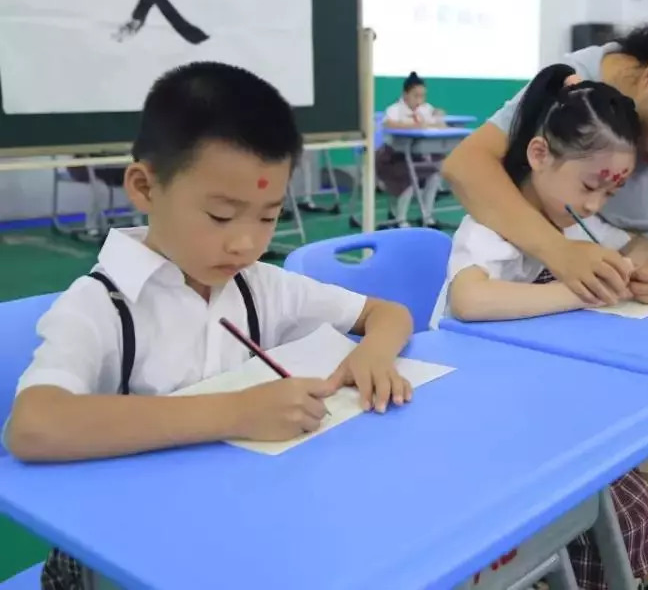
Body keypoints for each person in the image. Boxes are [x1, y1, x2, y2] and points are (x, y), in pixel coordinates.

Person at [3, 62, 414, 588]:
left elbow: (387, 313)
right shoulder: (102, 306)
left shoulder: (258, 284)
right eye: (221, 216)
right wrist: (236, 411)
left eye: (268, 217)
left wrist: (374, 352)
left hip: (229, 526)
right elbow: (34, 426)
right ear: (145, 188)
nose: (245, 243)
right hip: (121, 554)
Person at [440, 24, 648, 582]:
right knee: (586, 446)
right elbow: (466, 170)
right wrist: (562, 260)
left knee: (645, 416)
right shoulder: (575, 93)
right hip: (539, 284)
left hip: (575, 288)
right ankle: (600, 555)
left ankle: (642, 552)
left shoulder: (590, 211)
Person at [435, 65, 648, 590]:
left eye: (610, 195)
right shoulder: (491, 227)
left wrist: (633, 263)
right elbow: (470, 298)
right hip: (468, 406)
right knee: (596, 471)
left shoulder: (574, 219)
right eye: (590, 186)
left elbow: (638, 243)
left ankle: (625, 565)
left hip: (532, 394)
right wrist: (577, 285)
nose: (595, 205)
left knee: (613, 457)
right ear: (540, 155)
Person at [376, 72, 448, 228]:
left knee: (434, 173)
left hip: (415, 156)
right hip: (391, 158)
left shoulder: (425, 109)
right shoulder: (394, 109)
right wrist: (416, 125)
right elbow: (389, 124)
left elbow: (438, 122)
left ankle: (427, 216)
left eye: (422, 96)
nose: (419, 100)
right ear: (405, 94)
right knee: (408, 175)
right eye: (416, 96)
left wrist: (438, 117)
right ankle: (400, 219)